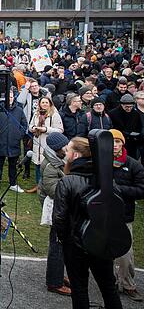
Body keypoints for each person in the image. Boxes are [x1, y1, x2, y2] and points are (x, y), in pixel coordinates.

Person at [53, 137, 123, 309]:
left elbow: (59, 218)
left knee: (79, 289)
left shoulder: (67, 181)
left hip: (76, 243)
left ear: (75, 155)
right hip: (101, 239)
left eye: (68, 150)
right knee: (108, 287)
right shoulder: (107, 179)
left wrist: (65, 240)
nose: (65, 153)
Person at [110, 129, 144, 302]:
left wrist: (119, 189)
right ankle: (110, 283)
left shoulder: (133, 165)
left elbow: (141, 190)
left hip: (124, 215)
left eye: (118, 142)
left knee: (125, 254)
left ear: (123, 143)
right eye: (111, 142)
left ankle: (128, 284)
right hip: (102, 214)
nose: (115, 145)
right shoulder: (99, 162)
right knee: (103, 252)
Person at [38, 132, 71, 296]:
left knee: (61, 244)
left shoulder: (58, 160)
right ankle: (54, 282)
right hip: (56, 211)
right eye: (66, 145)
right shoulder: (51, 166)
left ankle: (58, 275)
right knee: (57, 246)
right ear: (59, 148)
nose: (69, 147)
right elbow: (54, 191)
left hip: (59, 209)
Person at [27, 96, 64, 193]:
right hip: (37, 143)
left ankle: (45, 187)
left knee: (45, 166)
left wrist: (46, 129)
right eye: (42, 102)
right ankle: (38, 186)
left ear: (50, 104)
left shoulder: (55, 115)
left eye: (46, 102)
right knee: (37, 166)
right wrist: (34, 128)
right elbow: (30, 126)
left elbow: (60, 130)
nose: (44, 104)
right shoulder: (36, 114)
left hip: (47, 144)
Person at [0, 89, 28, 192]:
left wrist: (19, 135)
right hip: (1, 141)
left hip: (14, 142)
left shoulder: (19, 110)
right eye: (8, 97)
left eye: (11, 96)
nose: (10, 98)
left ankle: (13, 183)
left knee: (13, 164)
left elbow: (24, 124)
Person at [108, 94, 142, 160]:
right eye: (127, 107)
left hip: (132, 142)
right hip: (118, 141)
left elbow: (139, 127)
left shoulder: (135, 113)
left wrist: (137, 135)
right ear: (122, 105)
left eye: (131, 106)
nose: (129, 108)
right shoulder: (112, 113)